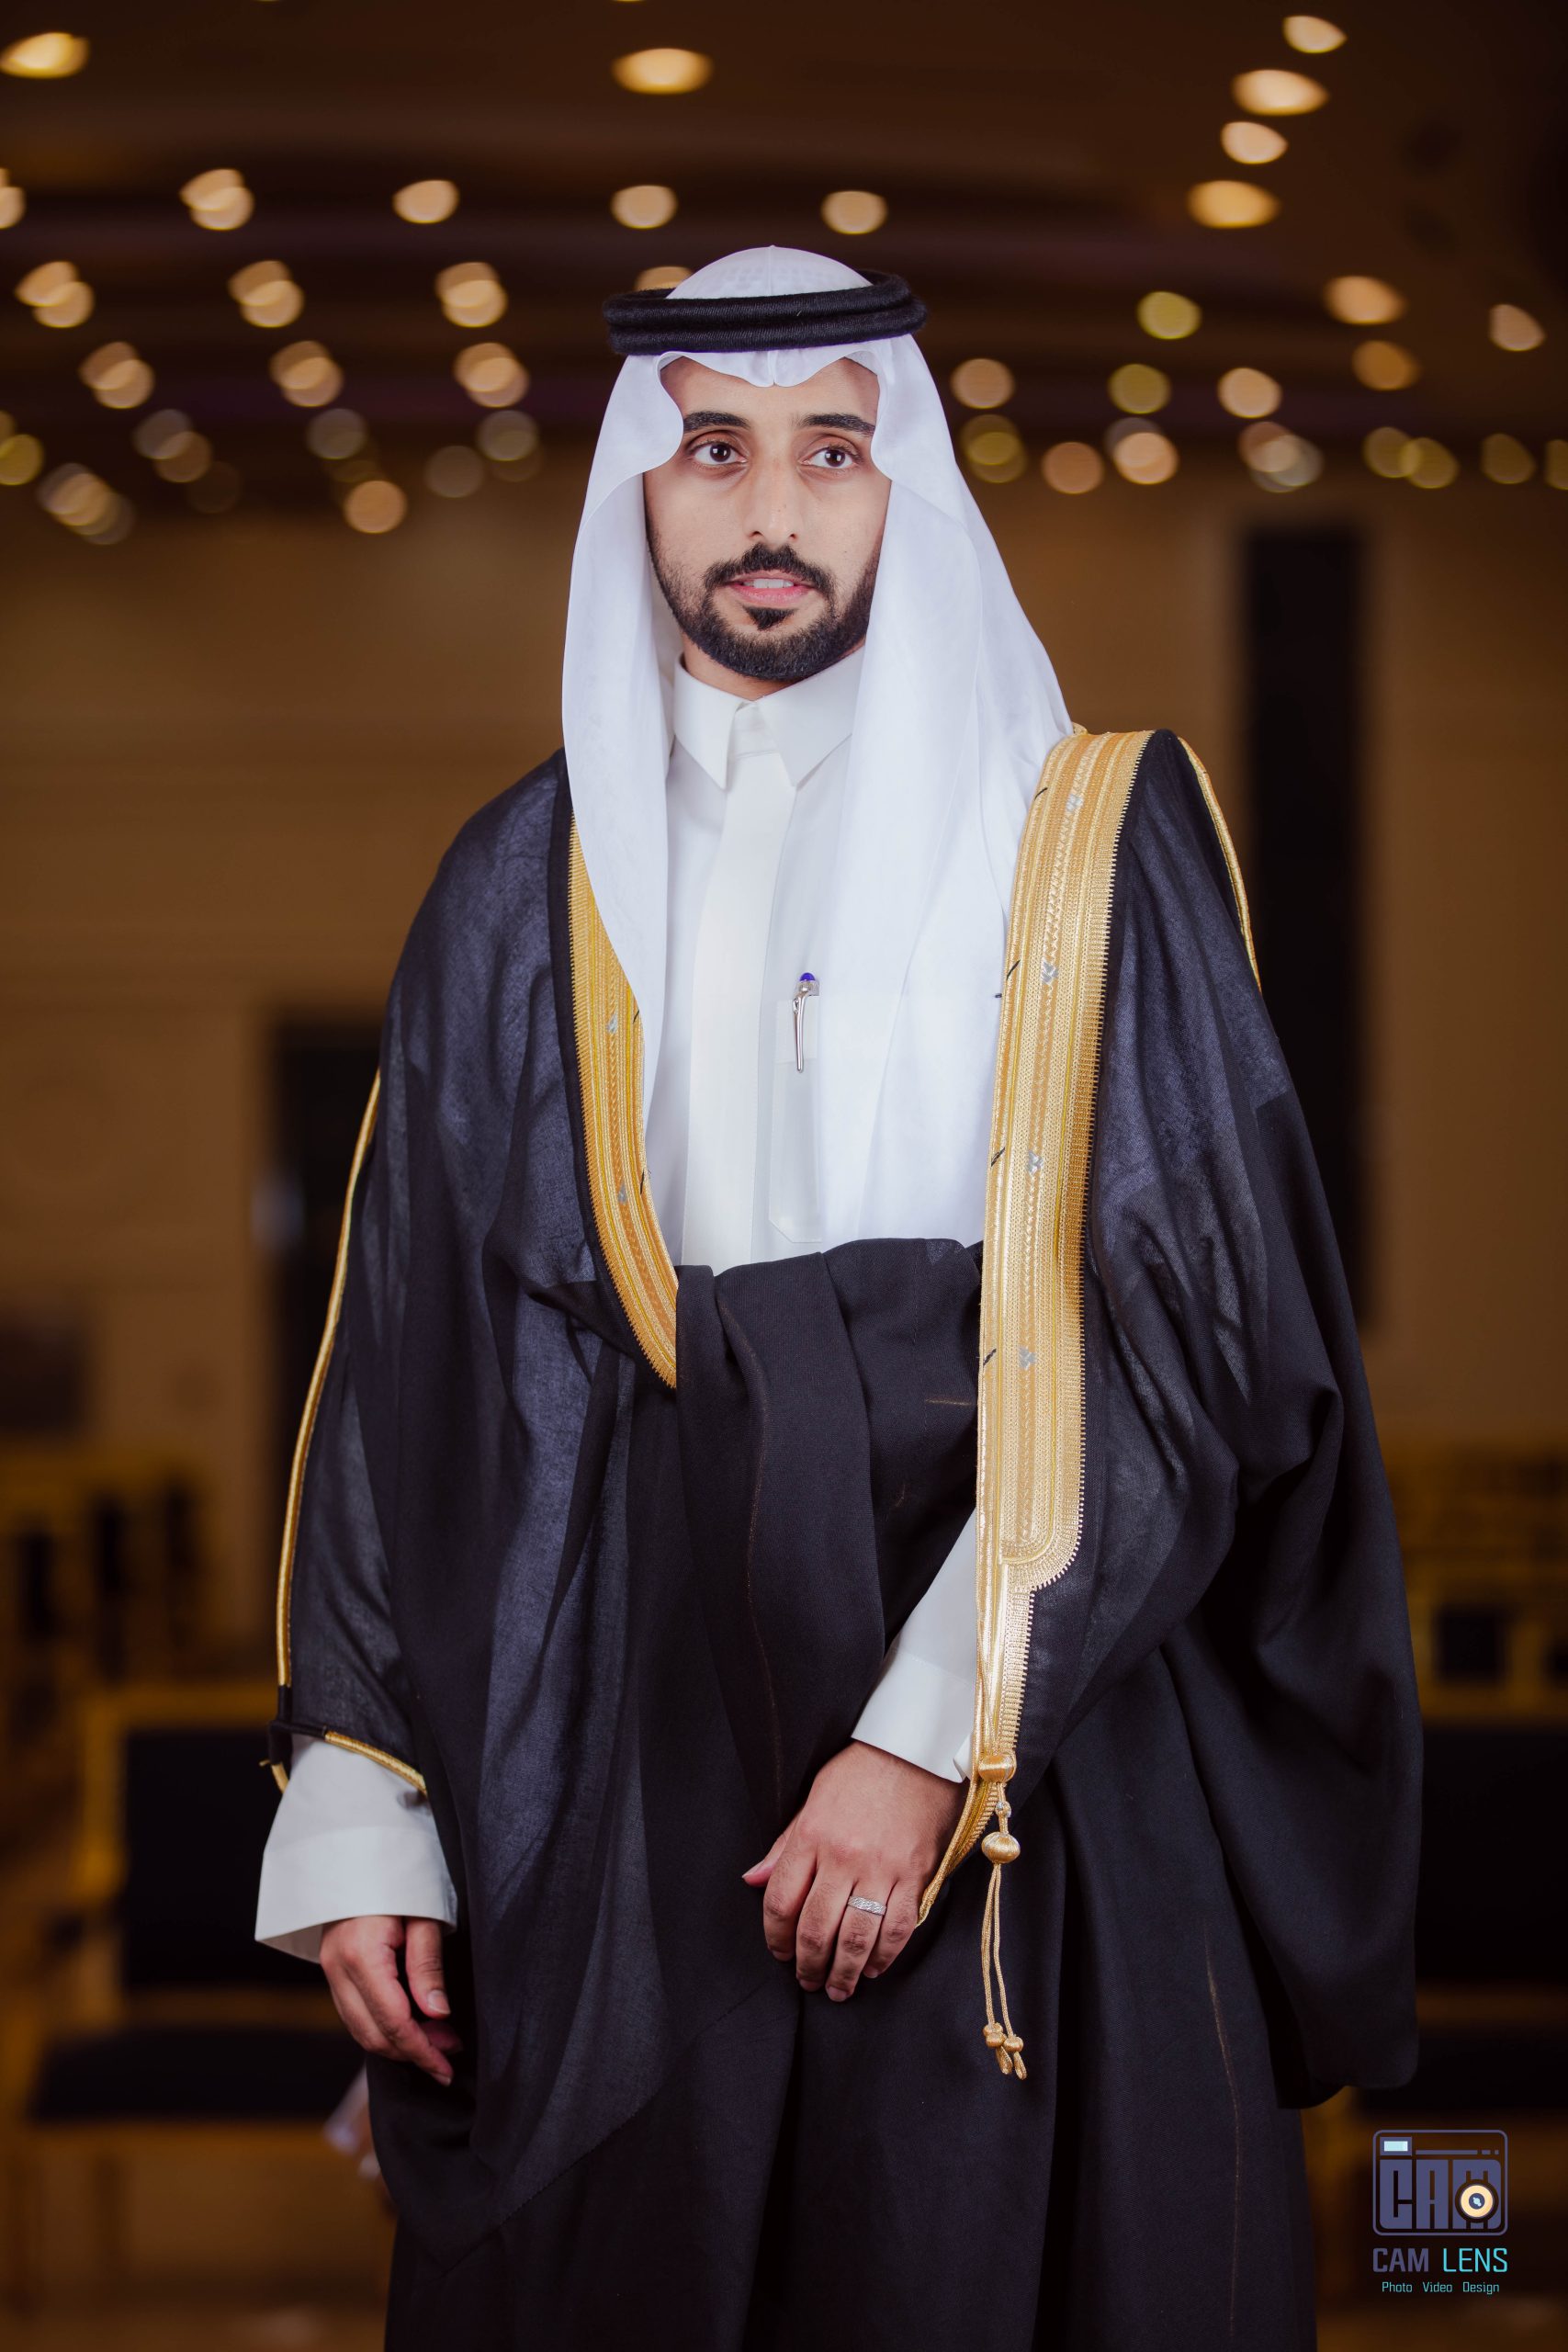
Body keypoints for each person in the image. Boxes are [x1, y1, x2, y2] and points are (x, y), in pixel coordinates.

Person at [255, 247, 1421, 2349]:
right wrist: (367, 1801)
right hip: (625, 1747)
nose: (770, 509)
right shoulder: (519, 881)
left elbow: (1185, 1348)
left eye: (829, 451)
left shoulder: (1089, 838)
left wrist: (927, 1731)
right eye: (712, 450)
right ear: (638, 485)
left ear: (910, 489)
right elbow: (415, 1355)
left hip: (1035, 1729)